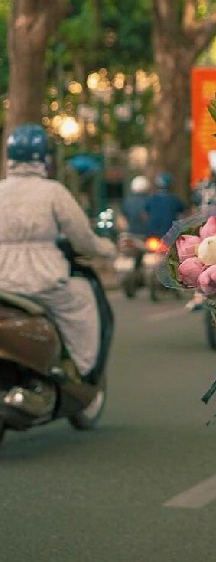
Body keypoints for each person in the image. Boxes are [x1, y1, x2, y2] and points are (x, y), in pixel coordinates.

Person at [0, 124, 116, 380]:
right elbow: (83, 238)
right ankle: (83, 369)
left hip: (3, 285)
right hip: (44, 280)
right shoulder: (53, 192)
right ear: (44, 158)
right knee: (82, 298)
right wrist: (106, 249)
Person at [143, 172, 186, 239]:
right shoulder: (175, 200)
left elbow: (145, 215)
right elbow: (183, 215)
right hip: (171, 235)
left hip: (153, 234)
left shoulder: (151, 199)